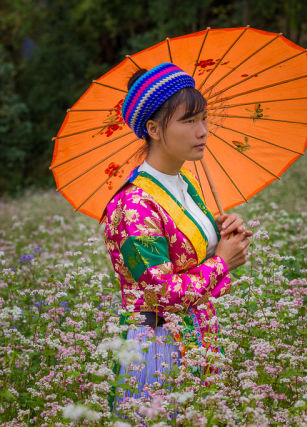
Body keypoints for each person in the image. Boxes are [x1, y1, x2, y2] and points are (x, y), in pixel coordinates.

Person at [101, 63, 251, 411]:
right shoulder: (134, 204)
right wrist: (222, 261)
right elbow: (163, 294)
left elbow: (192, 259)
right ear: (153, 129)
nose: (203, 132)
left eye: (204, 119)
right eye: (188, 121)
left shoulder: (186, 185)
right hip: (157, 346)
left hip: (200, 336)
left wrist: (222, 231)